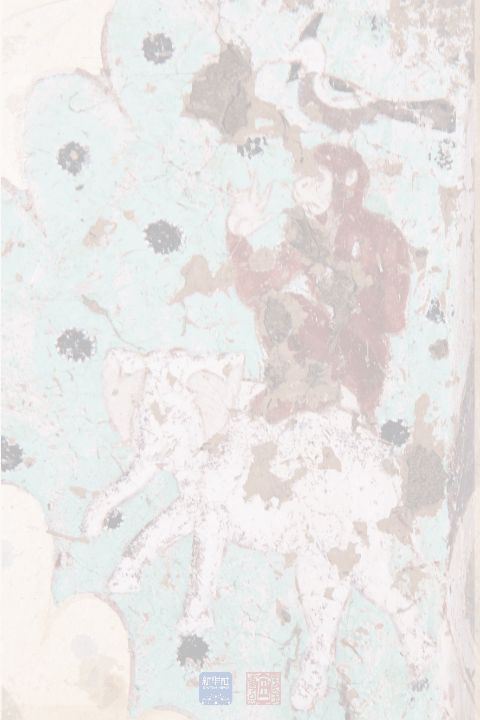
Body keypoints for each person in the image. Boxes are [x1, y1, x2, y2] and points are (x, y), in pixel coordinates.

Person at [226, 144, 410, 423]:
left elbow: (393, 321)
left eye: (317, 179)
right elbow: (253, 291)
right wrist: (237, 233)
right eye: (304, 179)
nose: (305, 188)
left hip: (361, 369)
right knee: (275, 306)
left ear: (347, 179)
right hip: (321, 363)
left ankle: (323, 396)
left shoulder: (382, 233)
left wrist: (349, 288)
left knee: (302, 312)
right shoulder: (312, 235)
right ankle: (298, 392)